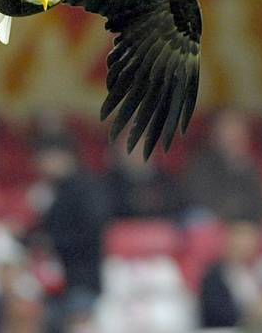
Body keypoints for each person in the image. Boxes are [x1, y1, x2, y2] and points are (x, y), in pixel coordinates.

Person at [31, 136, 108, 332]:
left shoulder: (87, 188)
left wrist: (51, 243)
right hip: (56, 283)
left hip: (81, 279)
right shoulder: (53, 190)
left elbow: (91, 232)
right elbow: (44, 228)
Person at [184, 108, 262, 223]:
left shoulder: (250, 165)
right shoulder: (201, 163)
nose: (236, 135)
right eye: (229, 129)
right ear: (216, 135)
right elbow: (203, 201)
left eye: (240, 129)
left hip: (248, 224)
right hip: (217, 221)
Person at [199, 219, 262, 329]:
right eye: (241, 236)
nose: (246, 243)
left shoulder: (259, 271)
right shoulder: (213, 275)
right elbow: (215, 313)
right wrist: (253, 313)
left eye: (250, 237)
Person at [105, 143, 186, 220]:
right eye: (133, 149)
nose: (137, 154)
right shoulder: (111, 182)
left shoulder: (165, 180)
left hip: (159, 229)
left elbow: (177, 207)